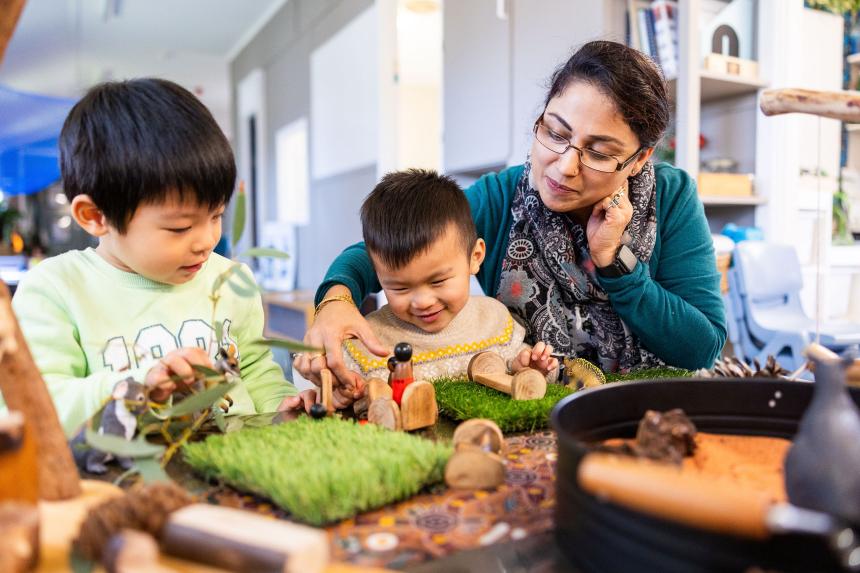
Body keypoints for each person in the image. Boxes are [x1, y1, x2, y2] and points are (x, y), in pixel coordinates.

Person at [299, 40, 726, 389]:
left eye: (598, 152)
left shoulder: (672, 198)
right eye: (555, 133)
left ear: (639, 158)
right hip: (532, 410)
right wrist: (336, 301)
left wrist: (616, 262)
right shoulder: (500, 198)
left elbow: (701, 348)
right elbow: (380, 252)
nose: (564, 166)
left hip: (652, 416)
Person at [6, 78, 306, 434]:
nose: (207, 240)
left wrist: (282, 410)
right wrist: (136, 386)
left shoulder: (231, 280)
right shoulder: (56, 290)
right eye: (179, 228)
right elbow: (37, 406)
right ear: (96, 216)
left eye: (216, 216)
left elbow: (256, 370)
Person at [294, 170, 558, 406]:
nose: (422, 301)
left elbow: (518, 368)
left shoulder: (494, 320)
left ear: (475, 257)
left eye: (438, 281)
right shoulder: (368, 343)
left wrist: (532, 368)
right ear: (378, 276)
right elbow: (336, 397)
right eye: (399, 288)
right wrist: (341, 394)